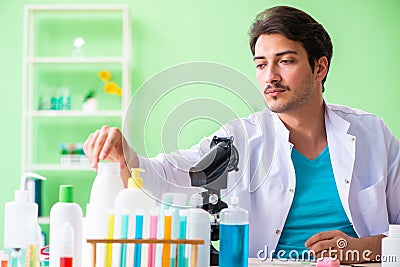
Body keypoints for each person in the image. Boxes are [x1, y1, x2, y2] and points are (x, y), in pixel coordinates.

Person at [84, 6, 400, 264]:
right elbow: (173, 175)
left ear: (320, 68)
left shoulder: (372, 134)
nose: (270, 77)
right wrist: (126, 156)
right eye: (261, 65)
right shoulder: (240, 138)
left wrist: (364, 248)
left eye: (285, 61)